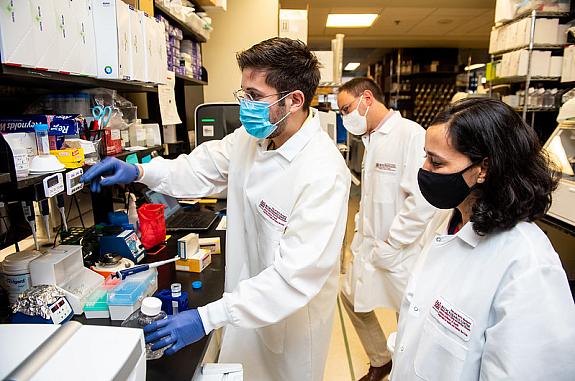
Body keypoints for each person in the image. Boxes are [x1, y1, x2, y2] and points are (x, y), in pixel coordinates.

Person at [81, 38, 351, 381]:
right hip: (242, 306)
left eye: (254, 96)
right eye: (243, 94)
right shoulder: (252, 139)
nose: (244, 105)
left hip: (287, 324)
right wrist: (140, 171)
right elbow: (198, 169)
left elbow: (292, 279)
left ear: (294, 100)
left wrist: (203, 319)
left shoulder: (322, 173)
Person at [390, 98, 575, 380]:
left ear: (484, 168)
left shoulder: (527, 264)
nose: (424, 169)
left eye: (436, 162)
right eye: (426, 156)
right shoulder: (446, 221)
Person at [337, 78, 436, 381]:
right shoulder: (371, 138)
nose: (345, 118)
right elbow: (371, 199)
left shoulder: (410, 135)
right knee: (350, 297)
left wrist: (394, 242)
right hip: (369, 246)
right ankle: (381, 359)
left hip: (400, 251)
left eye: (345, 109)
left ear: (366, 98)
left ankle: (406, 373)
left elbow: (423, 199)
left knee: (406, 315)